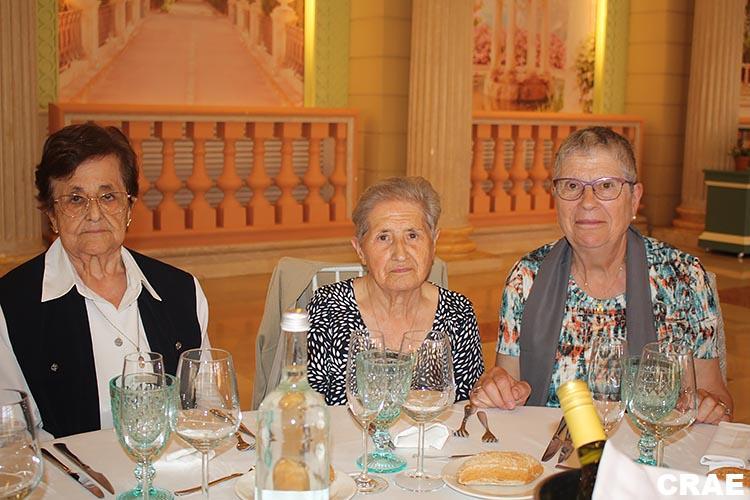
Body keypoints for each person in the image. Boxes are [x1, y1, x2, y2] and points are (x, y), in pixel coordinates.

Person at [471, 127, 732, 425]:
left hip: (651, 449)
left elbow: (717, 398)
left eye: (606, 186)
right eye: (572, 185)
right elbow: (507, 384)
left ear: (634, 198)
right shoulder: (526, 277)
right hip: (546, 449)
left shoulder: (683, 278)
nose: (587, 202)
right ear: (556, 197)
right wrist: (497, 389)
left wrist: (710, 407)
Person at [0, 123, 210, 438]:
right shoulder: (12, 307)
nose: (94, 214)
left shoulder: (182, 291)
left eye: (108, 196)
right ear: (52, 215)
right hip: (66, 470)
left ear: (129, 207)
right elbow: (12, 437)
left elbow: (205, 407)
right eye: (75, 199)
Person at [306, 176, 483, 405]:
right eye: (384, 237)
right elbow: (307, 406)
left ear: (433, 242)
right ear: (360, 250)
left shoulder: (458, 313)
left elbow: (467, 407)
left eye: (412, 235)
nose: (400, 254)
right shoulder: (328, 308)